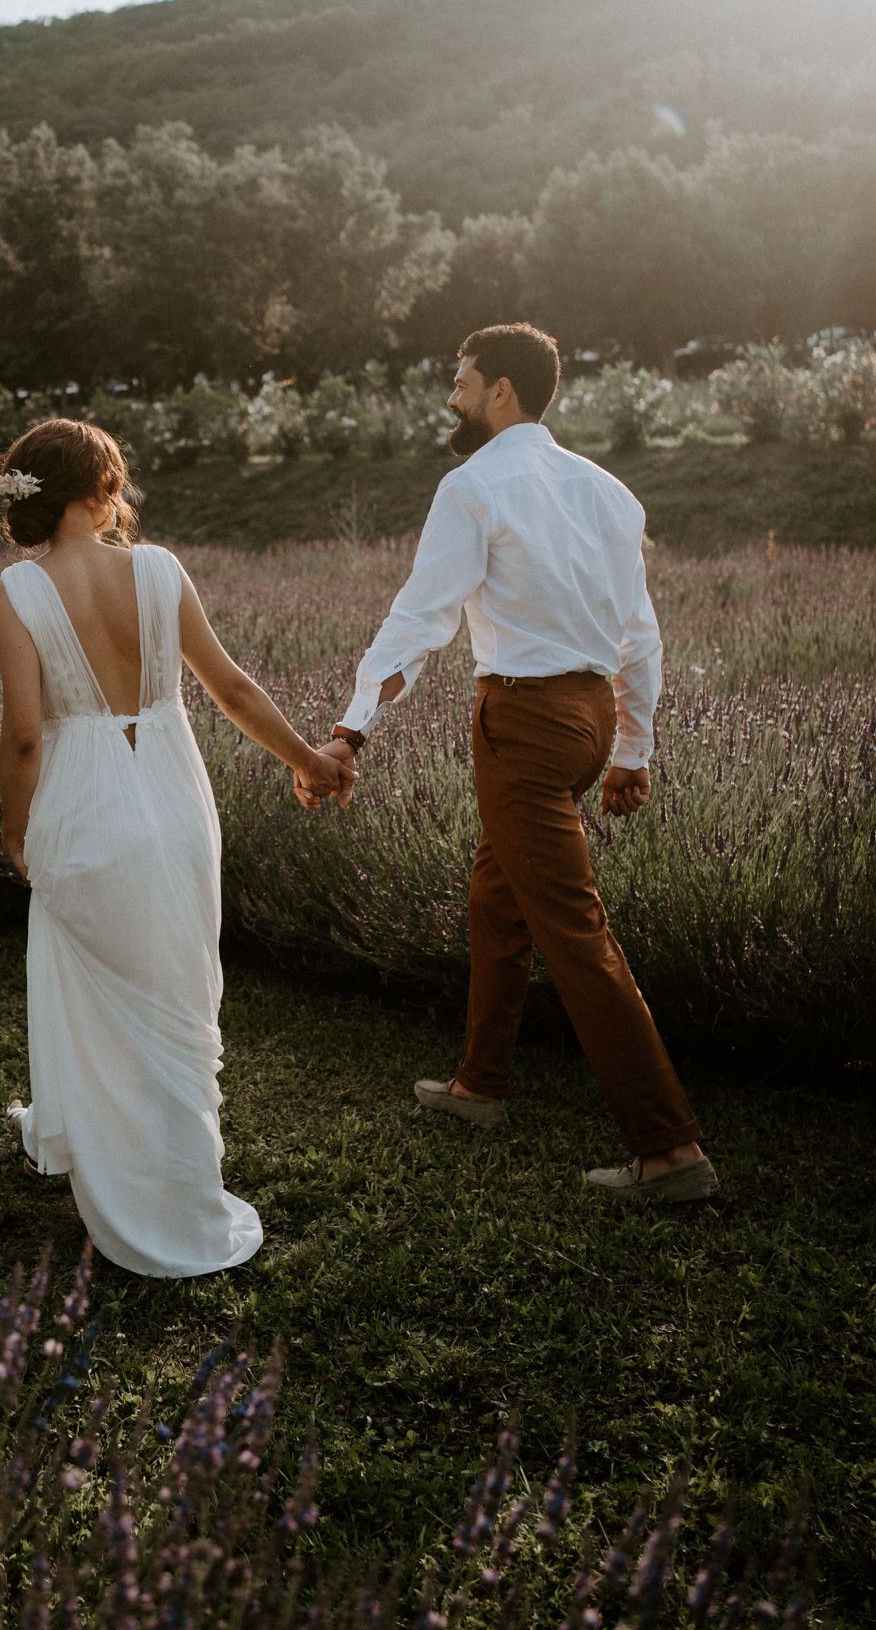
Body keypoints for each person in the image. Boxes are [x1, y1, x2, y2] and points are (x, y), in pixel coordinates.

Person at [312, 324, 718, 1204]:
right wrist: (633, 748)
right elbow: (639, 635)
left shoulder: (473, 486)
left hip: (524, 727)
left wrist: (350, 732)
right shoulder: (609, 492)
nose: (452, 398)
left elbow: (423, 618)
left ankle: (669, 1149)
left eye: (460, 382)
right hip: (590, 723)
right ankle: (478, 1086)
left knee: (572, 928)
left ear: (501, 390)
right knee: (499, 896)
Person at [0, 417, 348, 1276]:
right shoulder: (158, 570)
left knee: (90, 986)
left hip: (80, 801)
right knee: (179, 991)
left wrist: (13, 828)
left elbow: (26, 735)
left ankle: (86, 1143)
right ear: (99, 490)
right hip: (174, 801)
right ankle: (172, 1173)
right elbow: (229, 686)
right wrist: (310, 761)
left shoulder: (18, 590)